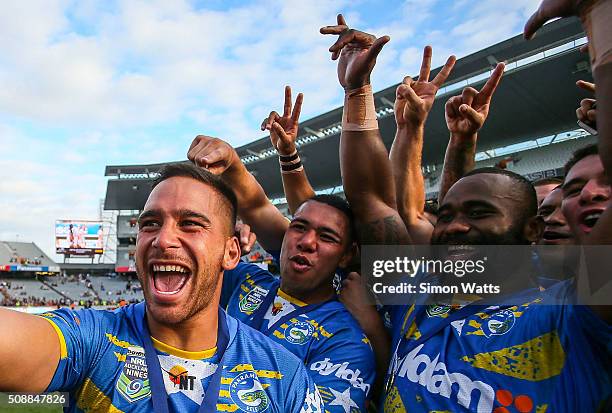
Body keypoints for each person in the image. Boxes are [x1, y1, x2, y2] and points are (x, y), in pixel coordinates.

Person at [0, 162, 324, 413]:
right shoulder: (94, 339)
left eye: (190, 224)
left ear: (231, 253)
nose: (163, 239)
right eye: (150, 223)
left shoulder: (284, 376)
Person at [187, 135, 376, 412]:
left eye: (326, 237)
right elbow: (193, 256)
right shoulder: (245, 279)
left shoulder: (345, 341)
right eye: (299, 227)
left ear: (347, 254)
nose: (307, 242)